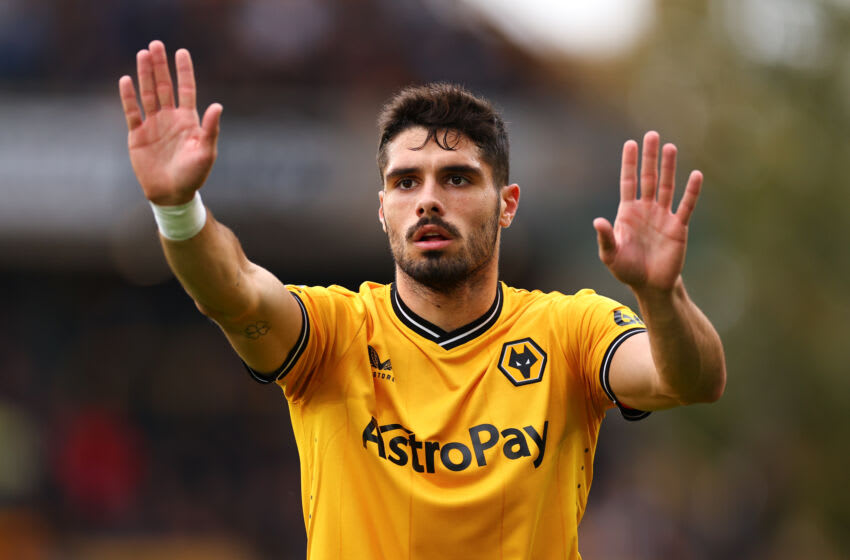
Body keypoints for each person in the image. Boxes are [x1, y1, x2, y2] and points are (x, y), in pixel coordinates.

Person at [119, 40, 726, 559]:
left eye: (457, 178)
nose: (428, 199)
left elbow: (690, 380)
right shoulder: (336, 332)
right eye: (406, 182)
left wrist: (661, 294)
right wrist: (178, 211)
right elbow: (234, 292)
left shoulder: (569, 330)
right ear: (383, 208)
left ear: (507, 203)